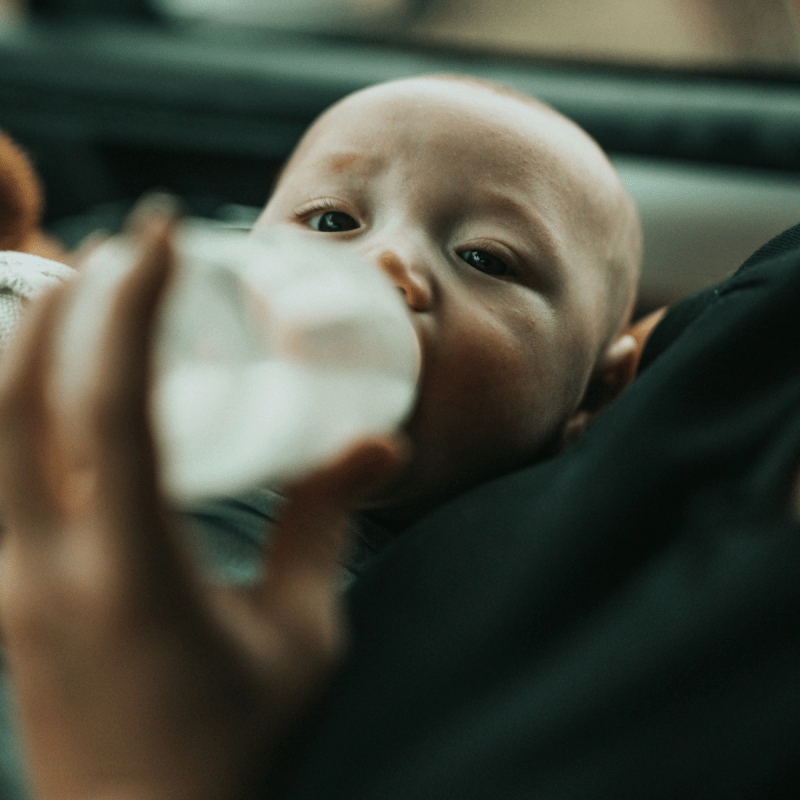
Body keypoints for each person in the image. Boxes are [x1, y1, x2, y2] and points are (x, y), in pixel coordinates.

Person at [0, 74, 654, 799]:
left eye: (485, 259)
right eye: (332, 221)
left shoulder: (480, 608)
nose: (385, 263)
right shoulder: (156, 402)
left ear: (597, 393)